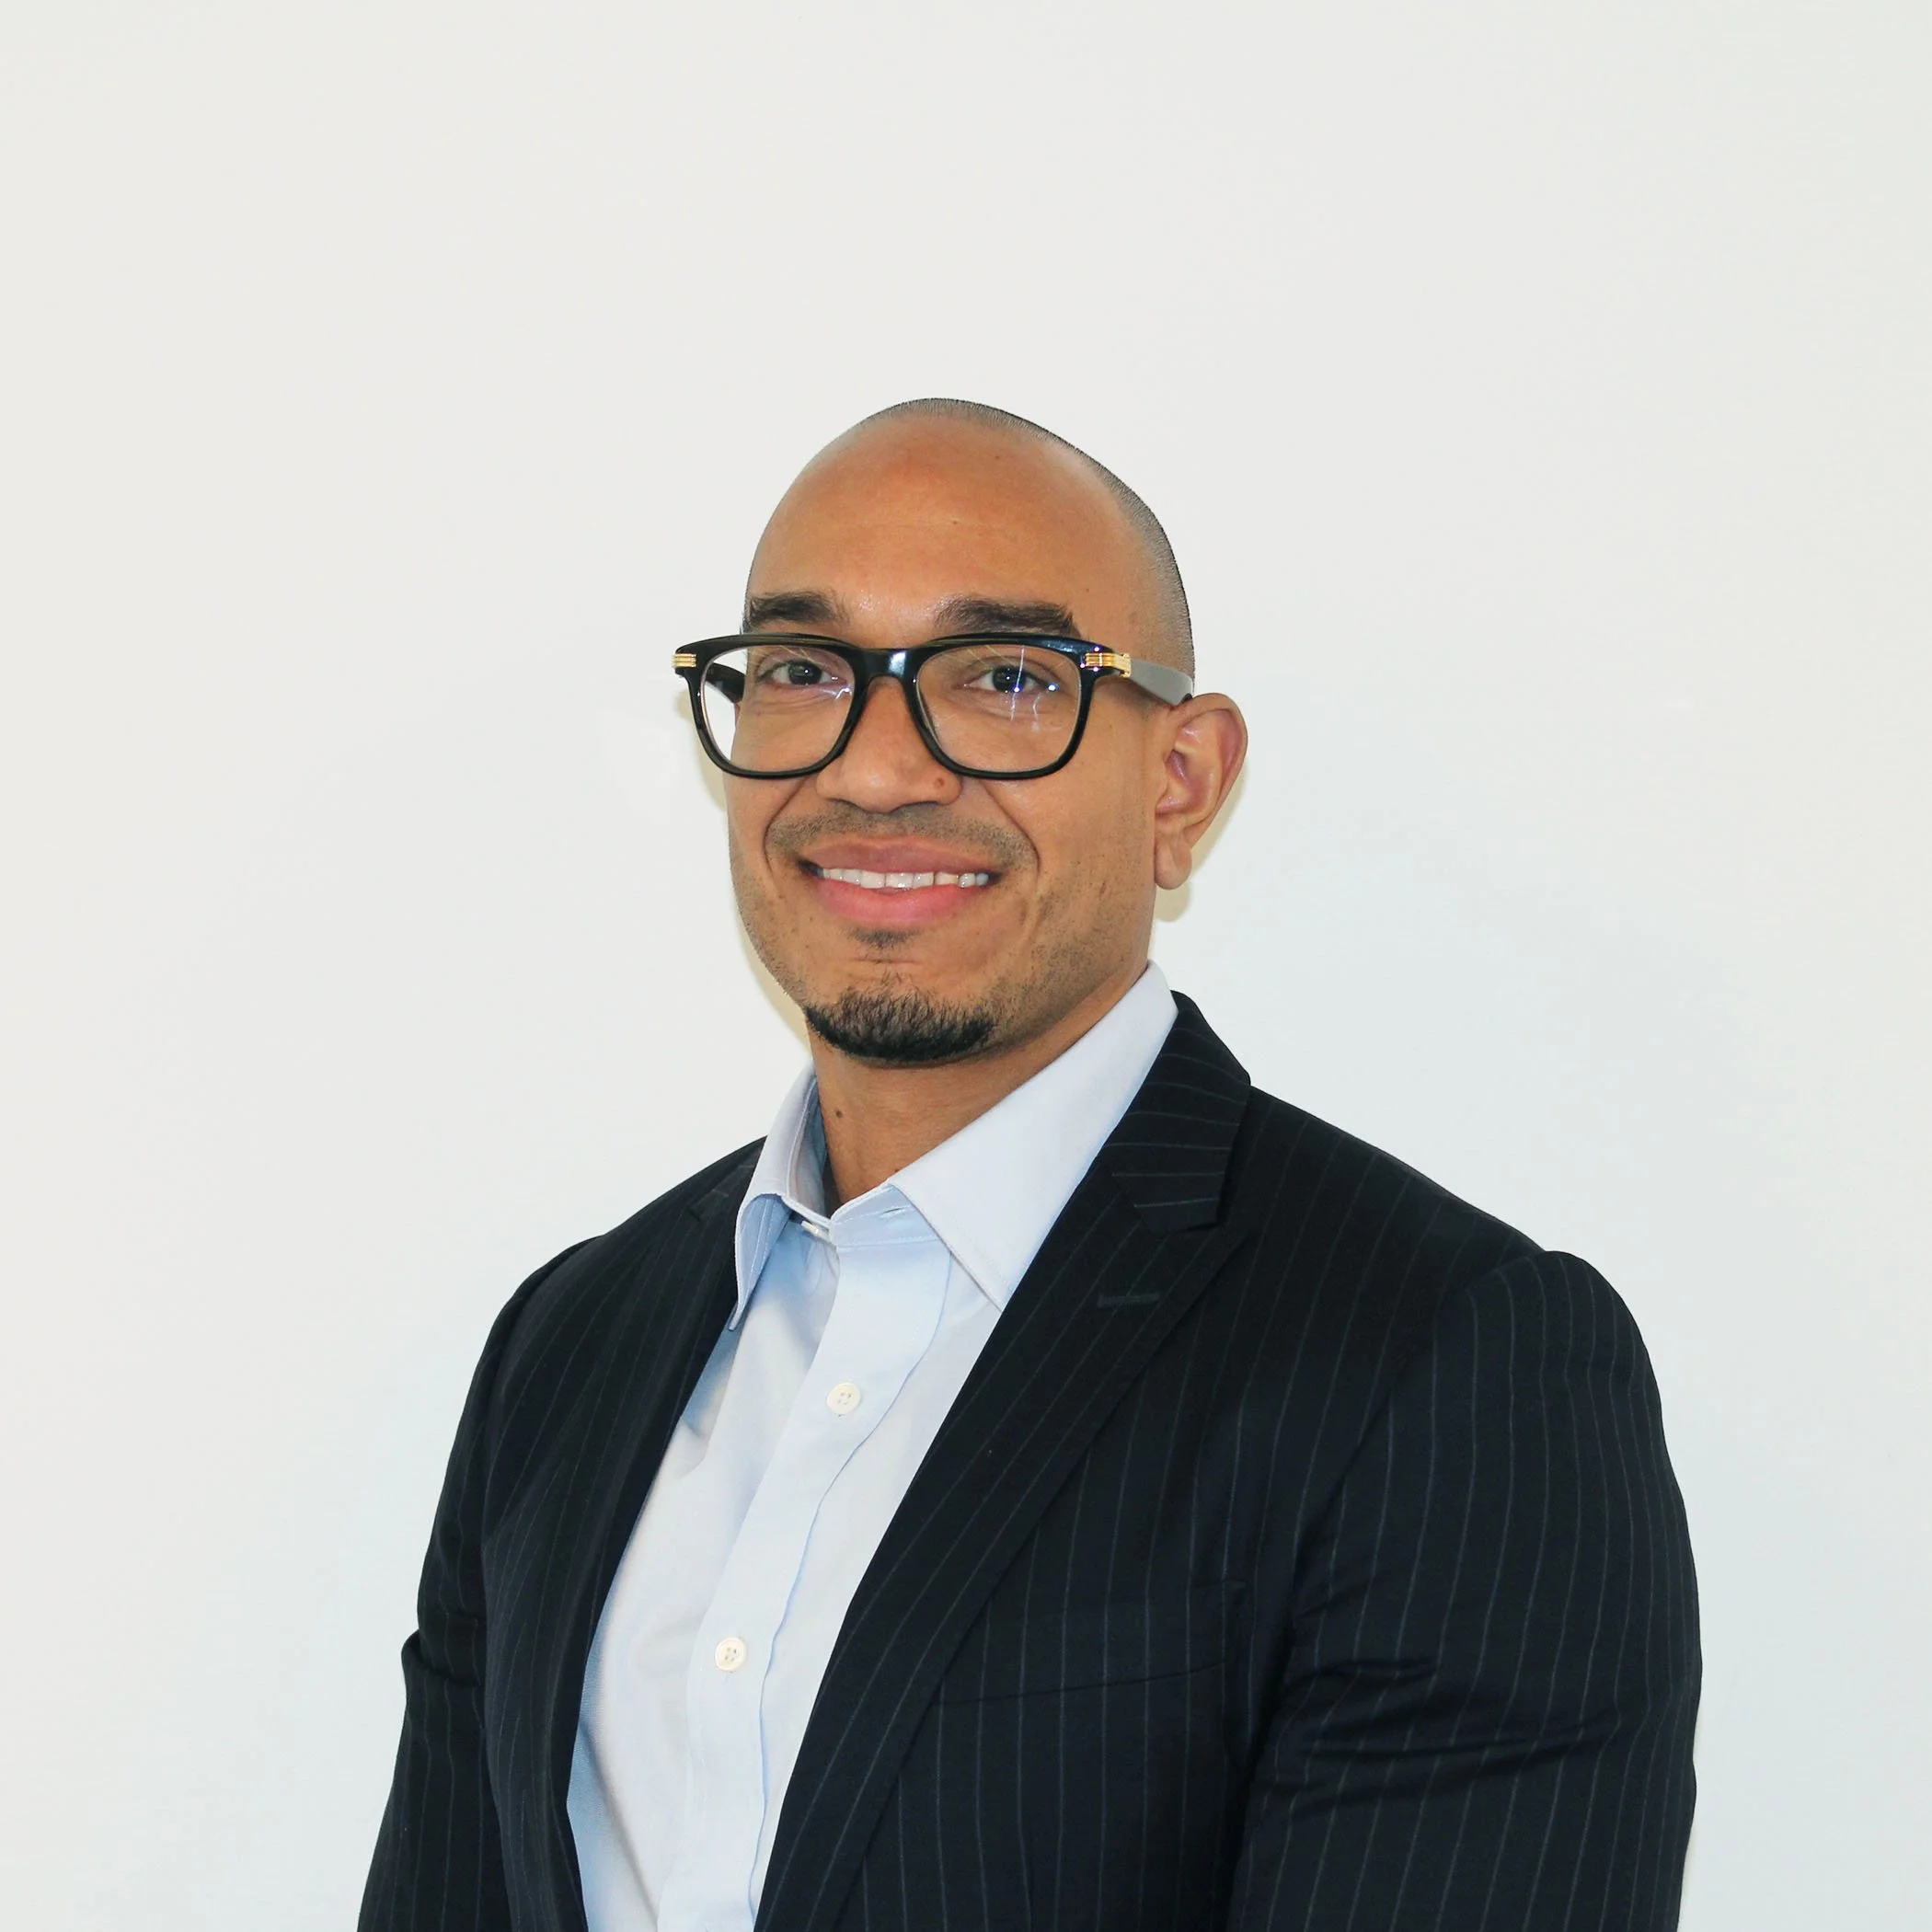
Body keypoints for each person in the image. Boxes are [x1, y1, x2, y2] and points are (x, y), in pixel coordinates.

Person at [360, 399, 1699, 1932]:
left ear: (1182, 783)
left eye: (1003, 678)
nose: (876, 770)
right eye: (803, 672)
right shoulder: (570, 1347)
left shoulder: (1446, 1365)